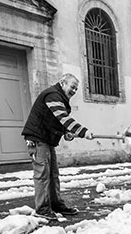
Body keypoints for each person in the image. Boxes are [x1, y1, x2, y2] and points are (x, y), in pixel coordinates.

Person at [22, 73, 97, 220]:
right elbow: (63, 117)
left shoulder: (59, 98)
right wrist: (83, 132)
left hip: (47, 140)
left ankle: (55, 204)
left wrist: (67, 133)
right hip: (38, 140)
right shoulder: (53, 95)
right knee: (42, 175)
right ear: (62, 83)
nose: (74, 91)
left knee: (53, 175)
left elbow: (56, 122)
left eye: (76, 89)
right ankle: (42, 209)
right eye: (72, 87)